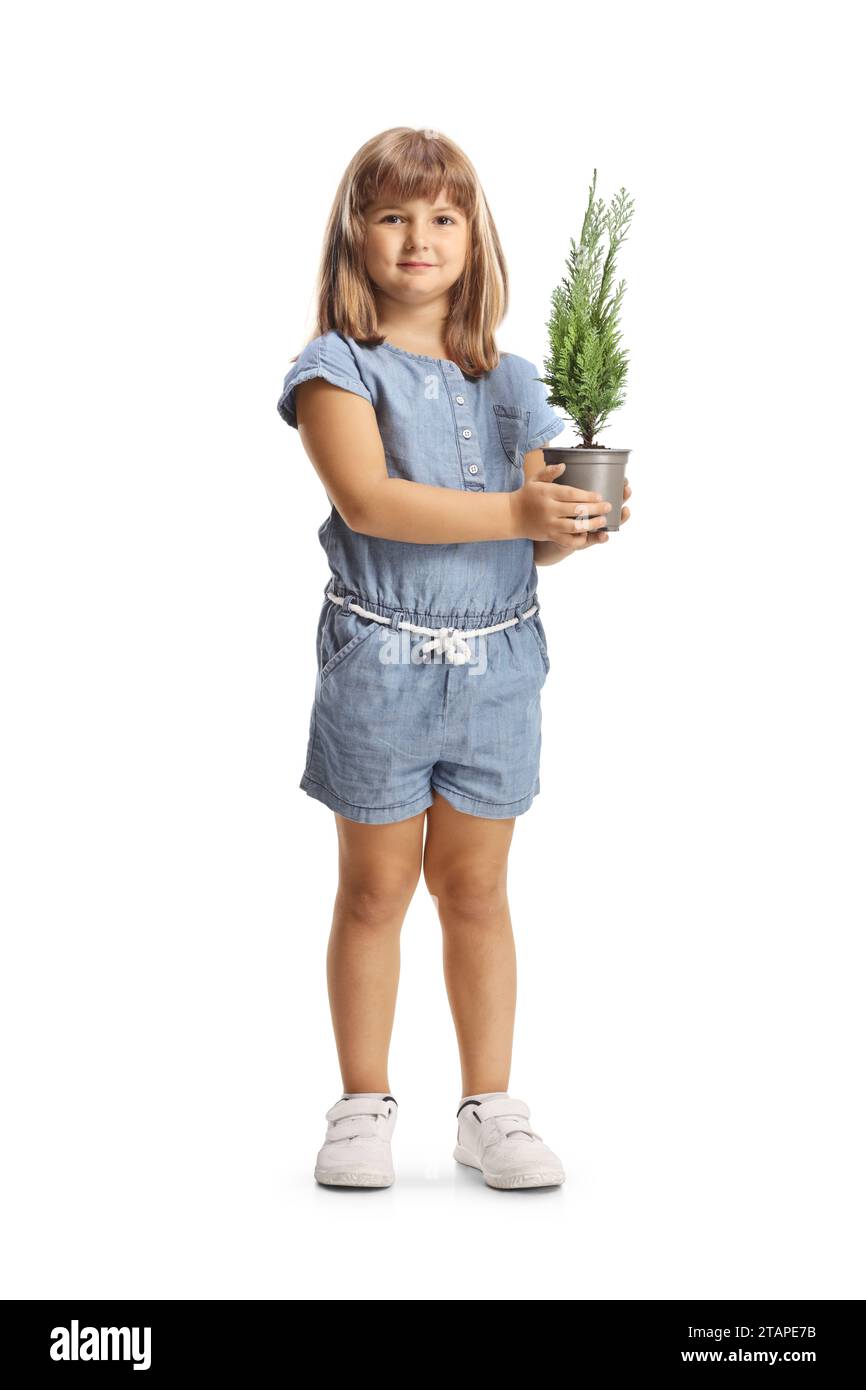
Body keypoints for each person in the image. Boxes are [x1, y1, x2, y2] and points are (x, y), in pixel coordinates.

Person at [276, 127, 632, 1191]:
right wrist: (518, 507)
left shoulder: (512, 378)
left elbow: (525, 537)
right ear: (355, 236)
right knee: (376, 887)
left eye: (441, 216)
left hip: (496, 667)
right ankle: (361, 1102)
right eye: (391, 215)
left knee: (475, 887)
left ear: (474, 238)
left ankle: (490, 1105)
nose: (418, 236)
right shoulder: (335, 369)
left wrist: (569, 524)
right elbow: (369, 501)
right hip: (380, 663)